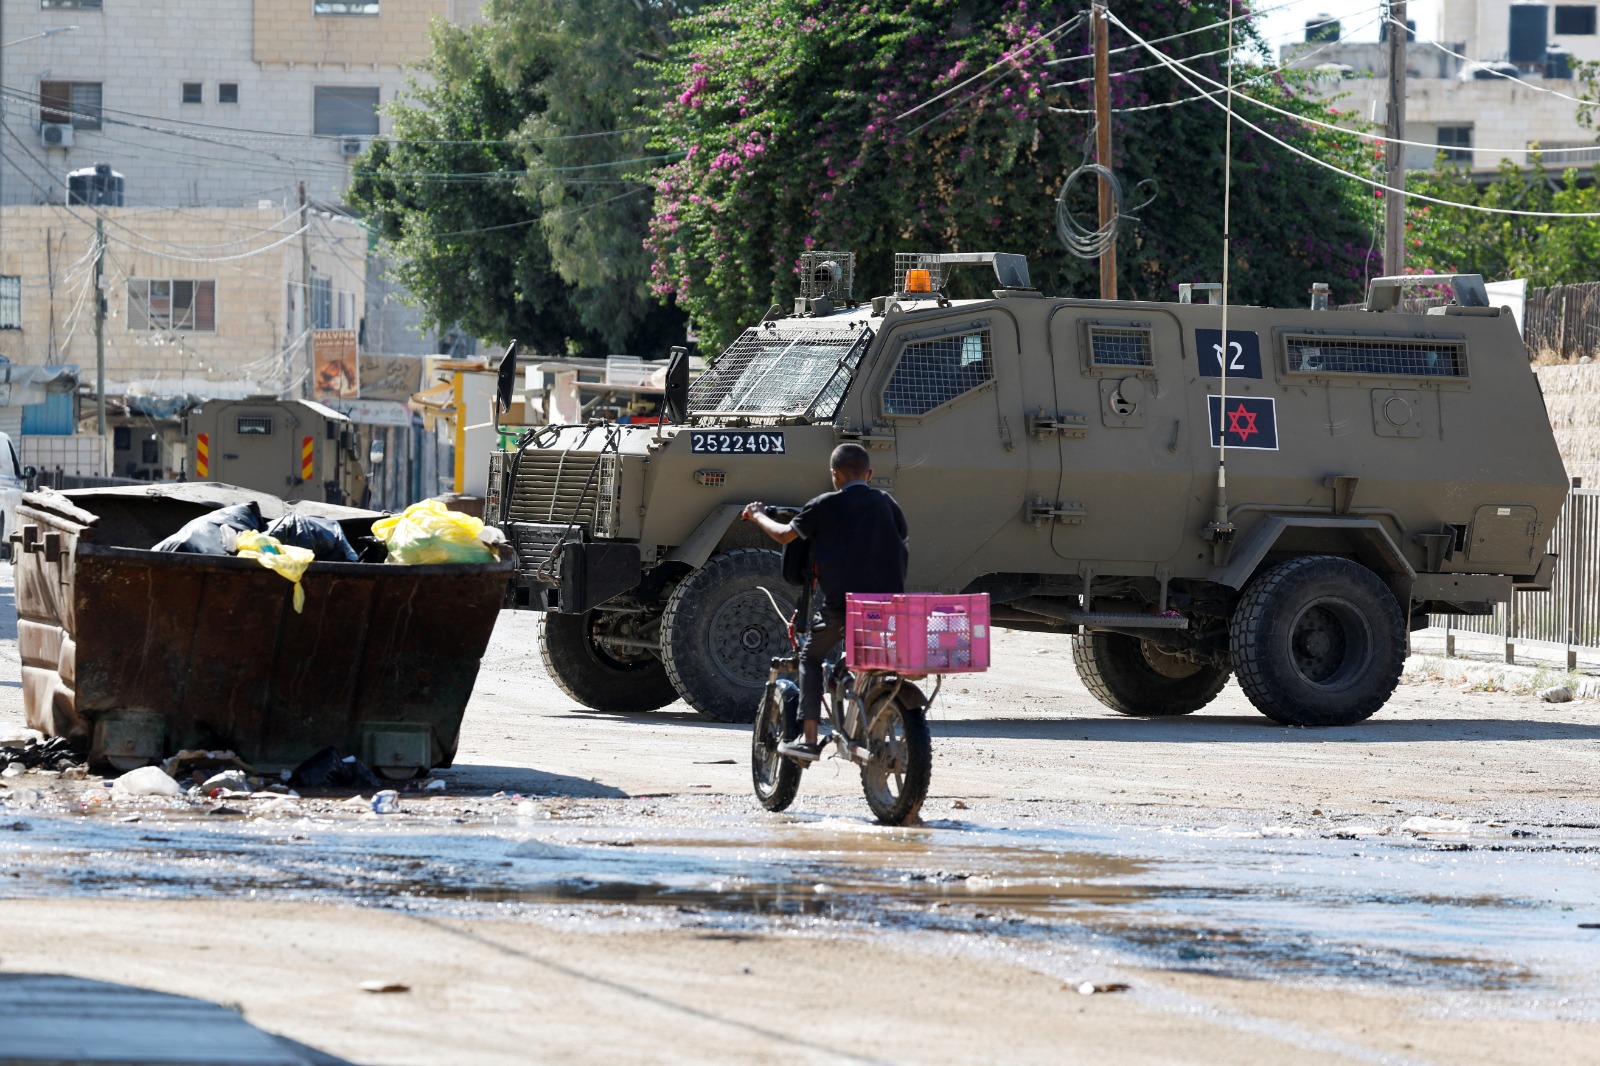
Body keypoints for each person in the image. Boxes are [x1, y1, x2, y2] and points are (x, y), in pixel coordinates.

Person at [742, 443, 908, 761]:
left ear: (834, 475)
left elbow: (784, 534)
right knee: (863, 653)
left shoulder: (824, 505)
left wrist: (758, 514)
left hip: (841, 606)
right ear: (870, 474)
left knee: (811, 656)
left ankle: (808, 739)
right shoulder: (887, 502)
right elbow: (901, 536)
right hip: (887, 606)